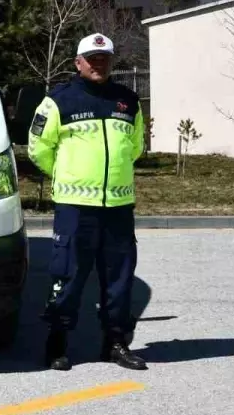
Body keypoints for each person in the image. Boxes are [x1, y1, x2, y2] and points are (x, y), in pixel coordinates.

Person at [28, 32, 148, 372]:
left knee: (120, 280)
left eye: (105, 59)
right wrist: (67, 176)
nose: (99, 64)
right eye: (92, 59)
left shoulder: (128, 100)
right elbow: (38, 148)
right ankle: (58, 342)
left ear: (111, 61)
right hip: (75, 208)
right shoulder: (58, 101)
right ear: (78, 62)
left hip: (119, 208)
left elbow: (136, 147)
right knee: (68, 276)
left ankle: (115, 343)